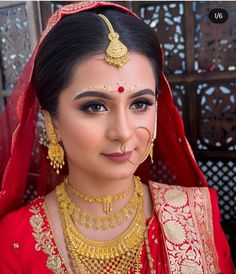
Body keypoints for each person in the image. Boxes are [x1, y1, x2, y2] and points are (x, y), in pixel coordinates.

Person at [0, 2, 234, 274]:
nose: (123, 131)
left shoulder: (196, 215)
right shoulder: (13, 242)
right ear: (53, 121)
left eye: (140, 104)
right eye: (95, 106)